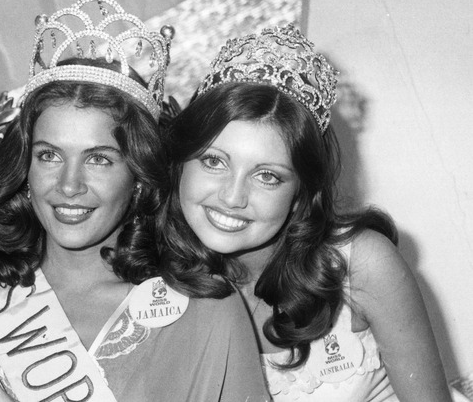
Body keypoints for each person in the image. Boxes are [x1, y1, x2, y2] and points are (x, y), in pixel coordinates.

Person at [0, 0, 270, 402]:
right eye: (49, 155)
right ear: (25, 168)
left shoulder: (206, 309)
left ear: (138, 176)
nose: (69, 185)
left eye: (99, 159)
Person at [160, 23, 452, 401]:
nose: (233, 197)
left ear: (301, 191)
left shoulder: (361, 264)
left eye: (267, 176)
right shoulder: (151, 277)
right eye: (213, 161)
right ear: (181, 162)